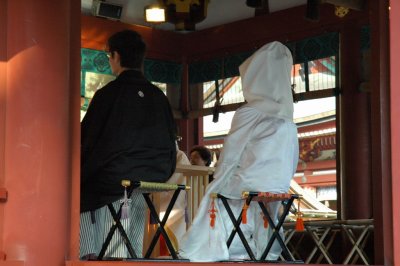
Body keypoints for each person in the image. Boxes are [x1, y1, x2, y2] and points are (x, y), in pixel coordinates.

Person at [179, 41, 299, 262]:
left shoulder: (250, 111)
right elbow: (292, 160)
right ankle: (265, 250)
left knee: (216, 194)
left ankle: (230, 249)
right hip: (278, 186)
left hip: (248, 183)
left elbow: (231, 155)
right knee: (246, 200)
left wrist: (217, 178)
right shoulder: (287, 114)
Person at [80, 30, 177, 258]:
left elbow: (88, 141)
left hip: (116, 179)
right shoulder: (159, 97)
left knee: (79, 191)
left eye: (109, 56)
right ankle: (128, 256)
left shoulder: (108, 94)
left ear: (115, 55)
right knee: (131, 201)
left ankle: (92, 254)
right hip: (154, 176)